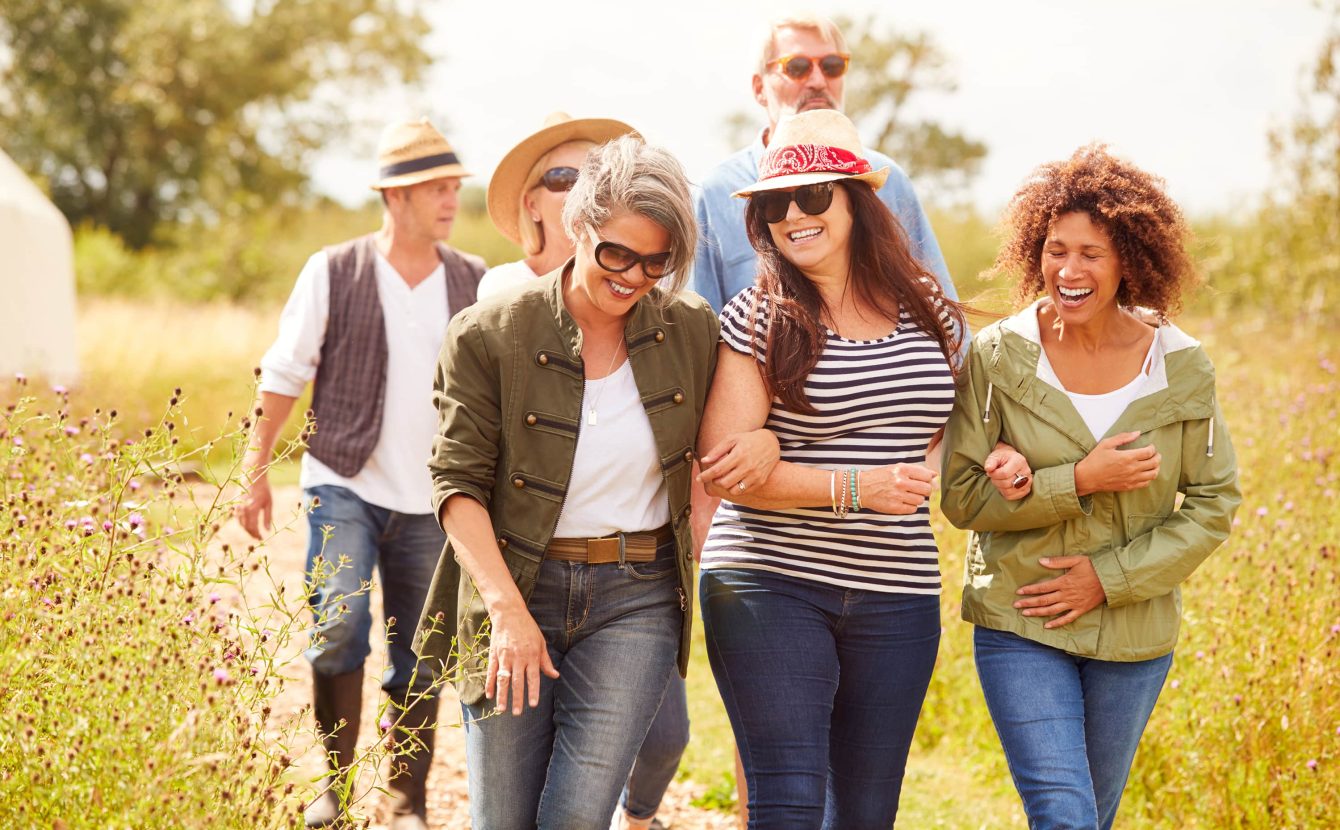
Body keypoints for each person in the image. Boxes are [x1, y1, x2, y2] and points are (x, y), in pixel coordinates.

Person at [411, 135, 777, 829]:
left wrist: (763, 441)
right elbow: (455, 484)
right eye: (618, 254)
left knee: (577, 817)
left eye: (656, 262)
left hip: (635, 600)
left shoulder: (690, 329)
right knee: (503, 819)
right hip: (516, 587)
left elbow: (734, 434)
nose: (635, 277)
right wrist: (506, 612)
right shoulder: (489, 334)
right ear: (579, 226)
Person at [939, 144, 1241, 830]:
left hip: (1134, 637)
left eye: (1091, 254)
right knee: (1065, 815)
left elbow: (1215, 502)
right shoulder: (998, 357)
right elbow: (960, 498)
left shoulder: (1182, 366)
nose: (1067, 271)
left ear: (1129, 261)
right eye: (1054, 249)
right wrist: (1074, 480)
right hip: (1021, 619)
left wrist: (1108, 579)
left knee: (1089, 819)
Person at [694, 108, 966, 827]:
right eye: (775, 202)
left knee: (869, 812)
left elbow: (954, 418)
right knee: (787, 802)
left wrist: (963, 459)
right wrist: (855, 487)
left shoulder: (929, 309)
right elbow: (724, 469)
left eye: (812, 195)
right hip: (769, 581)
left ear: (856, 201)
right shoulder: (757, 316)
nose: (792, 214)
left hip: (898, 587)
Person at [236, 118, 484, 830]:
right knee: (338, 627)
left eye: (453, 188)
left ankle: (405, 799)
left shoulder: (471, 280)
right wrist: (256, 468)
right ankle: (336, 790)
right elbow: (285, 373)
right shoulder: (334, 269)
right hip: (342, 481)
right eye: (436, 188)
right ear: (395, 197)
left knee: (422, 649)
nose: (449, 201)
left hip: (432, 499)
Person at [691, 12, 958, 315]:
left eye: (832, 66)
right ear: (759, 88)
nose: (818, 80)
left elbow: (939, 313)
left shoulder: (889, 180)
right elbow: (699, 331)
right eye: (797, 67)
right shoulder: (716, 192)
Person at [477, 112, 636, 301]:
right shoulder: (507, 285)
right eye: (562, 178)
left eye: (596, 177)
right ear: (532, 205)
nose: (582, 191)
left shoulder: (633, 276)